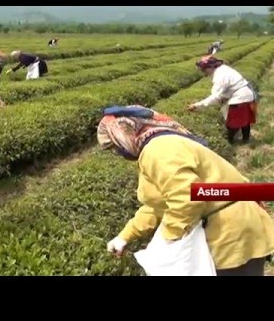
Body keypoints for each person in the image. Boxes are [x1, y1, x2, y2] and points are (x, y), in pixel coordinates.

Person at [97, 105, 274, 276]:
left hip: (231, 233)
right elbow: (157, 204)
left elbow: (187, 197)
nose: (117, 153)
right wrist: (125, 236)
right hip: (230, 224)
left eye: (114, 146)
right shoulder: (157, 146)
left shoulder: (158, 149)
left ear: (123, 134)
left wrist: (169, 237)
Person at [187, 56, 258, 144]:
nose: (203, 72)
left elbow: (216, 96)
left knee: (233, 124)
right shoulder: (223, 69)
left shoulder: (220, 76)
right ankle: (246, 140)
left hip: (240, 98)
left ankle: (229, 142)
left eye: (204, 69)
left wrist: (197, 105)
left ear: (211, 67)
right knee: (245, 120)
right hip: (246, 94)